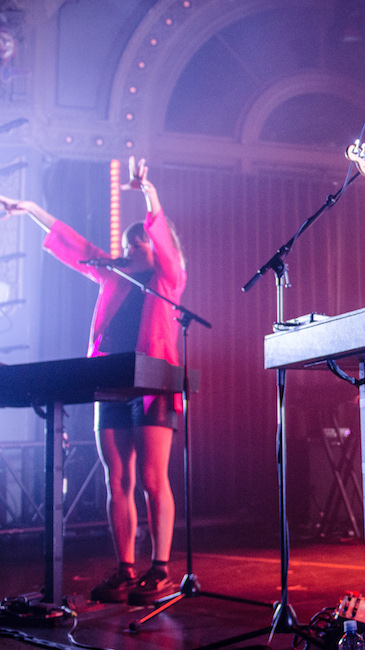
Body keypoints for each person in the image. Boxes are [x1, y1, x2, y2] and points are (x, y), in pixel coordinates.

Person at [0, 157, 187, 605]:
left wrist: (148, 192)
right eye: (123, 241)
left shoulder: (166, 278)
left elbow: (166, 239)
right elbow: (72, 244)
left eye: (134, 240)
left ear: (150, 245)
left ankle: (159, 568)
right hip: (110, 382)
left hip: (152, 383)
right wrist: (30, 209)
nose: (125, 246)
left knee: (151, 478)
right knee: (116, 477)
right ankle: (125, 567)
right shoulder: (111, 273)